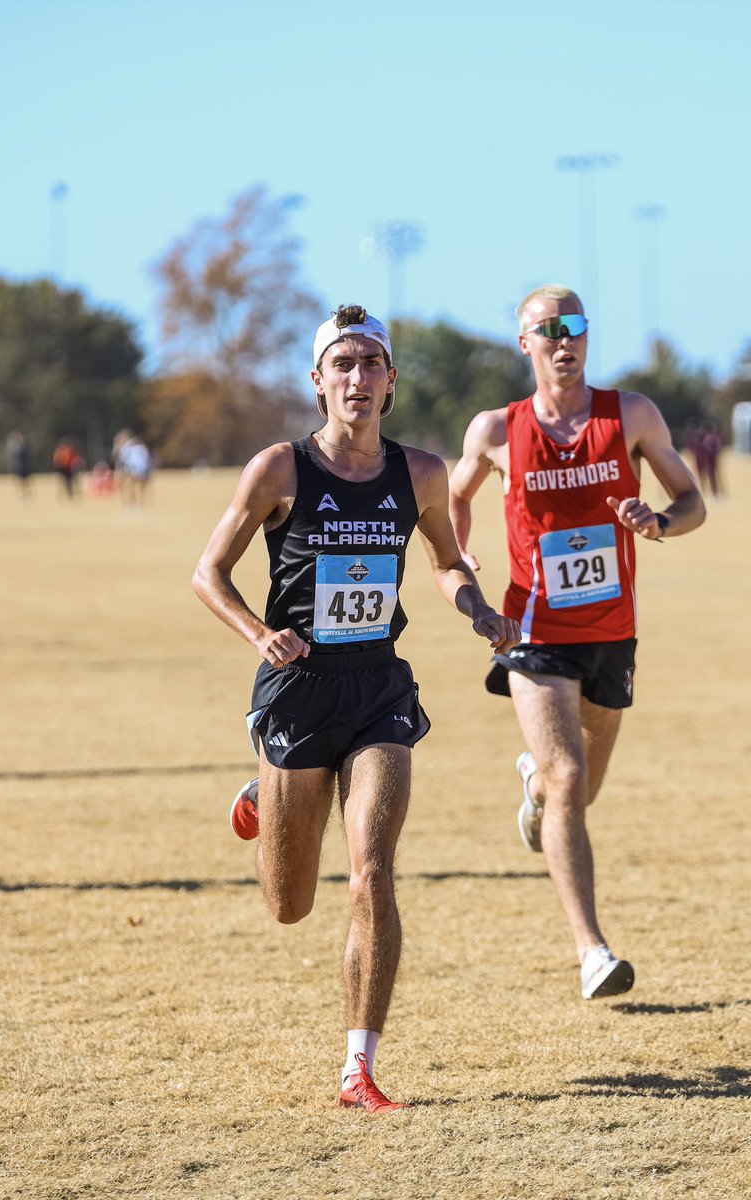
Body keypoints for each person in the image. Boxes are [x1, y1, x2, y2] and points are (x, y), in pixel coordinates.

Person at [193, 305, 520, 1112]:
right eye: (343, 365)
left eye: (372, 364)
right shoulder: (280, 469)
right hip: (298, 691)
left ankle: (358, 1068)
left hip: (379, 687)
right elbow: (209, 573)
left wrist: (476, 608)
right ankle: (260, 790)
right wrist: (258, 632)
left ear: (391, 381)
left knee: (372, 873)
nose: (358, 379)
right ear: (318, 382)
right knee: (289, 903)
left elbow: (447, 561)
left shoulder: (421, 474)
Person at [449, 284, 706, 1001]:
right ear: (523, 343)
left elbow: (694, 504)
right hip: (532, 630)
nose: (565, 340)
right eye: (548, 329)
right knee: (570, 779)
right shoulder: (497, 431)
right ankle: (591, 950)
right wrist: (461, 557)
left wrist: (655, 521)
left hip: (612, 632)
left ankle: (532, 784)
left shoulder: (631, 414)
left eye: (576, 327)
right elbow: (456, 501)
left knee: (579, 786)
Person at [6, 431, 33, 498]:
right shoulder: (15, 449)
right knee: (21, 481)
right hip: (19, 467)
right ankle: (23, 493)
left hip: (23, 467)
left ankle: (26, 493)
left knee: (25, 481)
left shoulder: (21, 448)